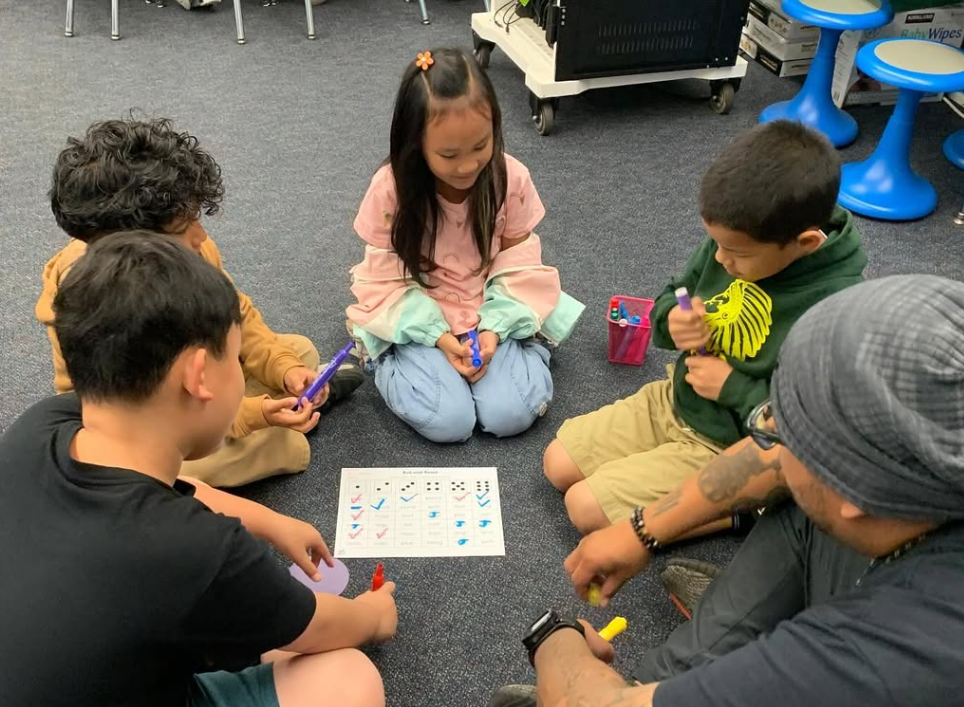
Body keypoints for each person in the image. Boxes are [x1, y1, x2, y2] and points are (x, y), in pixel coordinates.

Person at [492, 274, 964, 707]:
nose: (763, 439)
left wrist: (556, 642)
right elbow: (772, 464)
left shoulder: (880, 654)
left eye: (780, 431)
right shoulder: (925, 453)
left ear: (855, 495)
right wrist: (643, 528)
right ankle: (671, 677)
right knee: (801, 500)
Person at [1, 233, 397, 707]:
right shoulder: (199, 549)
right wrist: (374, 616)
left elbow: (172, 485)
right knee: (350, 677)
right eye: (234, 358)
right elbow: (315, 627)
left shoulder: (42, 423)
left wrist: (270, 521)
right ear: (198, 375)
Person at [544, 120, 866, 534]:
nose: (719, 260)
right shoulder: (736, 235)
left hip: (729, 446)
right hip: (675, 399)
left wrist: (733, 387)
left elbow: (807, 425)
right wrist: (671, 321)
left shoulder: (836, 309)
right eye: (715, 244)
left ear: (805, 243)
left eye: (735, 253)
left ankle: (738, 508)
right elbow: (673, 296)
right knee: (557, 464)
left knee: (584, 509)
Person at [36, 116, 363, 487]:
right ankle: (280, 436)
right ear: (131, 248)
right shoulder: (92, 302)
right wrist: (256, 415)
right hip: (144, 416)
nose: (201, 236)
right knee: (174, 471)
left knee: (298, 351)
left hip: (199, 380)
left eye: (195, 217)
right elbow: (130, 418)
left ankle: (280, 415)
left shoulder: (192, 251)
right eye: (183, 227)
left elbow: (237, 314)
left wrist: (283, 367)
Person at [346, 47, 584, 443]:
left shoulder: (510, 178)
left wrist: (494, 331)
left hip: (489, 305)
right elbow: (385, 278)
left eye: (480, 145)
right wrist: (437, 337)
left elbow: (519, 264)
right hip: (415, 310)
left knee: (511, 414)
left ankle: (528, 345)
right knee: (449, 421)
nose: (468, 165)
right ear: (415, 144)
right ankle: (381, 354)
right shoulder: (391, 189)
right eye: (448, 154)